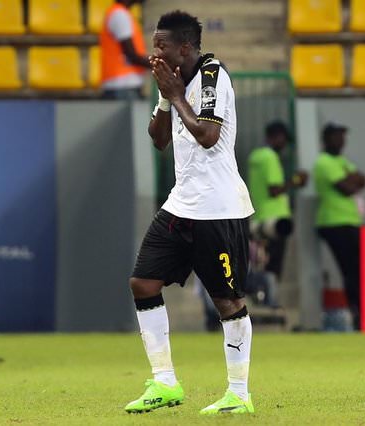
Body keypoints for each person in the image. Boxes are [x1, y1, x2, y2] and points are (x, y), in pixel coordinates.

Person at [125, 11, 255, 415]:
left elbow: (208, 135)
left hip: (219, 208)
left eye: (161, 46)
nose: (154, 53)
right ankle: (165, 382)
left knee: (227, 302)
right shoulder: (173, 81)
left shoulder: (214, 76)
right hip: (181, 204)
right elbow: (159, 140)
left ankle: (239, 393)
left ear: (184, 48)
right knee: (143, 282)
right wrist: (166, 96)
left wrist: (177, 94)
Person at [247, 121, 307, 307]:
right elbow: (274, 189)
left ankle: (261, 297)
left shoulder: (255, 156)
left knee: (261, 262)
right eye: (284, 139)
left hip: (258, 217)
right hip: (275, 220)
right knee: (273, 264)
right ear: (276, 137)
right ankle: (270, 302)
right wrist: (296, 181)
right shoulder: (270, 157)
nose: (285, 144)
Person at [313, 122, 365, 331]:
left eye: (343, 136)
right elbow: (347, 188)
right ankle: (356, 312)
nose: (341, 140)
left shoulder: (341, 161)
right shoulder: (324, 162)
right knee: (350, 270)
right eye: (337, 136)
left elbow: (363, 180)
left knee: (357, 269)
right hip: (334, 222)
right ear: (326, 139)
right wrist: (352, 179)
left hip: (350, 221)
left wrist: (352, 179)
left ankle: (360, 310)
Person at [100, 0, 150, 99]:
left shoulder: (121, 13)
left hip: (123, 86)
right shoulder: (119, 15)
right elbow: (131, 55)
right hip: (122, 86)